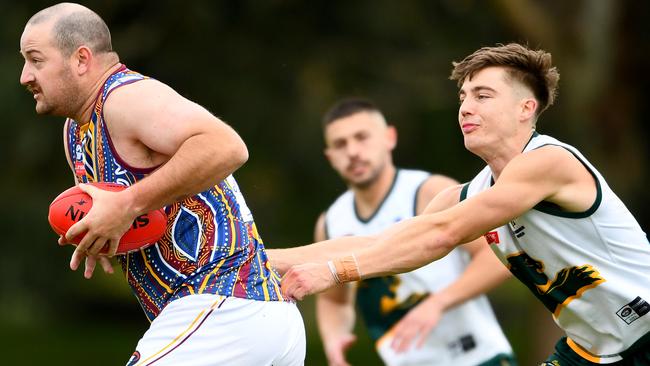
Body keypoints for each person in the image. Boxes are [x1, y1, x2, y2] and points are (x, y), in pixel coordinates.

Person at [276, 43, 650, 365]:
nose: (466, 108)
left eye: (482, 96)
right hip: (592, 351)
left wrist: (337, 272)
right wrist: (258, 257)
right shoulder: (464, 195)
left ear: (526, 108)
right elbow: (378, 244)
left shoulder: (548, 161)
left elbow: (443, 233)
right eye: (463, 97)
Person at [20, 3, 305, 365]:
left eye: (35, 59)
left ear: (81, 59)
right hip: (234, 320)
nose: (25, 76)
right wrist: (103, 233)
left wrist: (125, 206)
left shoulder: (125, 98)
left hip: (226, 308)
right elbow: (136, 213)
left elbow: (227, 147)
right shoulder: (75, 132)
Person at [310, 98, 515, 365]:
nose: (353, 151)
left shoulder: (429, 191)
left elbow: (498, 258)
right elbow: (333, 301)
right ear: (330, 157)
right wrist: (334, 339)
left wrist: (438, 303)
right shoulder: (331, 223)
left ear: (389, 138)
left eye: (362, 138)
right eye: (340, 144)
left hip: (476, 356)